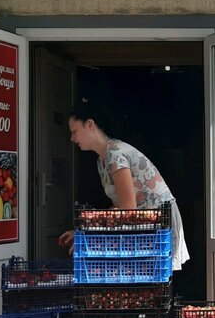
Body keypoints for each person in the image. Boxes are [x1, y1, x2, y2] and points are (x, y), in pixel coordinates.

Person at [58, 101, 190, 270]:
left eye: (74, 131)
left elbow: (128, 210)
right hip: (146, 224)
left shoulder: (115, 154)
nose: (72, 138)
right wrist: (83, 231)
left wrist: (87, 235)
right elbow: (121, 208)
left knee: (147, 278)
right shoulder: (102, 160)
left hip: (159, 225)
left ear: (90, 124)